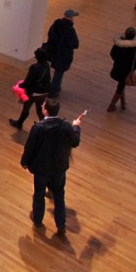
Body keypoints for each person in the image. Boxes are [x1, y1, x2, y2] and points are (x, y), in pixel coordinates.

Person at [21, 99, 82, 235]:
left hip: (41, 168)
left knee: (39, 193)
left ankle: (38, 219)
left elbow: (29, 147)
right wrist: (76, 127)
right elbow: (75, 142)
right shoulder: (65, 126)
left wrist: (24, 162)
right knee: (59, 194)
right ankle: (61, 224)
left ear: (45, 110)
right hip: (59, 167)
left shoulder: (38, 128)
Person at [9, 48, 51, 130]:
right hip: (43, 92)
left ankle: (19, 123)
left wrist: (19, 85)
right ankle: (44, 127)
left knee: (26, 109)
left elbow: (28, 81)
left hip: (33, 92)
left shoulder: (34, 67)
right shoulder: (47, 65)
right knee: (40, 110)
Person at [107, 27, 136, 112]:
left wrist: (117, 61)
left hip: (117, 68)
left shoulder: (118, 45)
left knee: (121, 84)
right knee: (120, 87)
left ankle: (123, 103)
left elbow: (112, 54)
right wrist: (134, 68)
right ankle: (111, 106)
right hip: (127, 71)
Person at [46, 9, 79, 97]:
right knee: (59, 72)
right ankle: (53, 90)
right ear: (71, 18)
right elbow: (75, 44)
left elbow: (50, 35)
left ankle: (55, 87)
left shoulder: (55, 25)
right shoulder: (70, 29)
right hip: (63, 55)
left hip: (54, 52)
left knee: (57, 72)